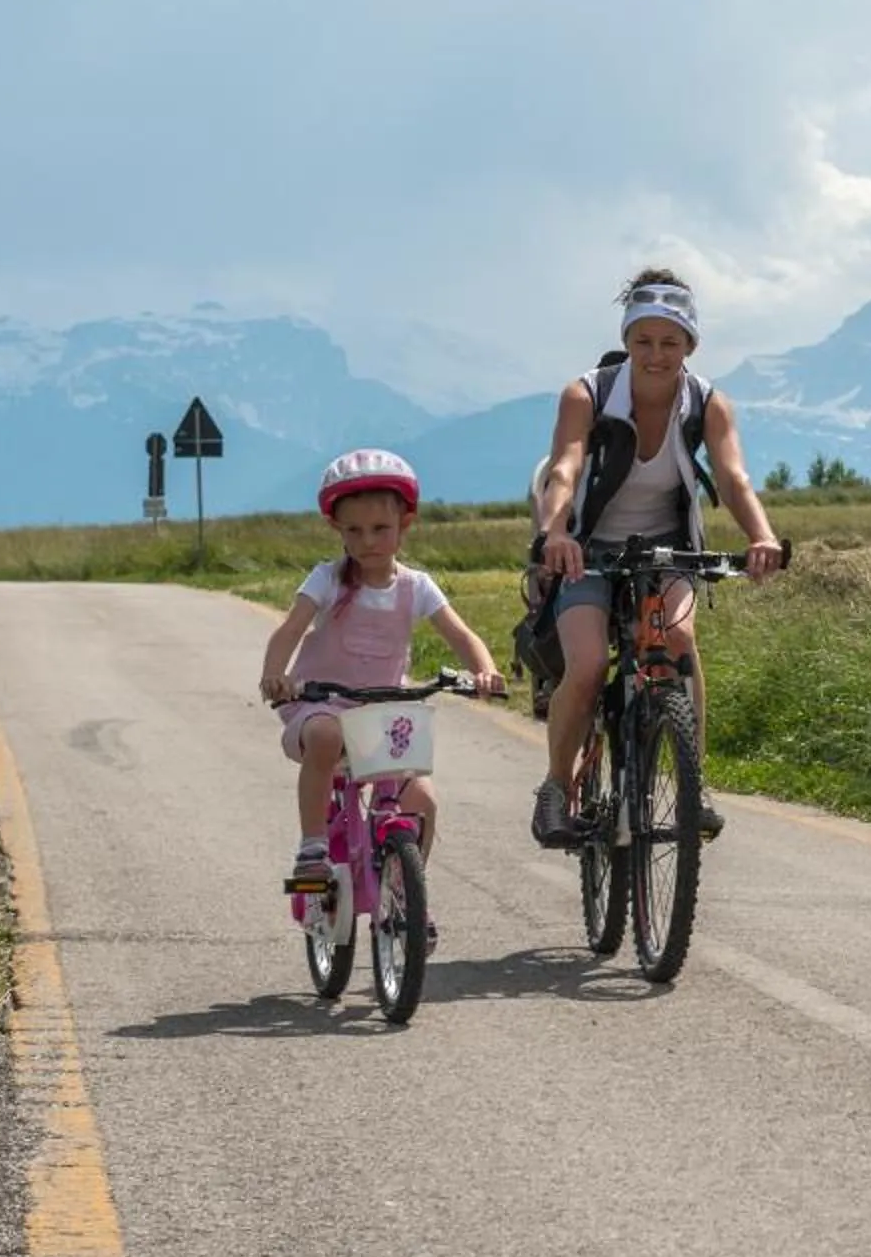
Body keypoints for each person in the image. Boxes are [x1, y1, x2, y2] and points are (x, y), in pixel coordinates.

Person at [523, 269, 786, 849]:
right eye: (643, 340)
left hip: (668, 548)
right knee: (588, 665)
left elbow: (734, 477)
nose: (656, 355)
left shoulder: (708, 402)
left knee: (681, 643)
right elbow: (564, 469)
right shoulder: (586, 392)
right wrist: (556, 532)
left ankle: (694, 784)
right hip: (587, 551)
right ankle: (556, 788)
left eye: (670, 342)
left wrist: (762, 537)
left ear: (690, 345)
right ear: (627, 340)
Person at [258, 448, 503, 894]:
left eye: (380, 529)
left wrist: (484, 671)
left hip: (383, 715)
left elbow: (462, 636)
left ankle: (405, 897)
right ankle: (312, 847)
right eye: (354, 530)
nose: (368, 541)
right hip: (319, 705)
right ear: (337, 529)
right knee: (329, 736)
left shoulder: (416, 587)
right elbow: (289, 631)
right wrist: (275, 675)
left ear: (405, 524)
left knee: (423, 799)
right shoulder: (327, 580)